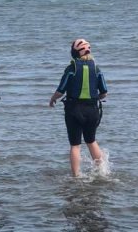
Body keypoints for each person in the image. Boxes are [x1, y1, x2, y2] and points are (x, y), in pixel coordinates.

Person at [49, 38, 108, 177]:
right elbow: (104, 92)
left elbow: (61, 90)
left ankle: (76, 176)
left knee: (75, 145)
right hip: (92, 110)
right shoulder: (96, 68)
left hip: (74, 110)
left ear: (74, 52)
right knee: (91, 141)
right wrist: (94, 99)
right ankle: (102, 171)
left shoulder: (72, 68)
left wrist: (52, 99)